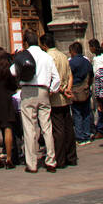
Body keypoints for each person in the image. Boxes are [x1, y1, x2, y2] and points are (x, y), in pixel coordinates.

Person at [12, 30, 59, 173]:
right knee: (47, 127)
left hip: (27, 92)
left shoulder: (23, 56)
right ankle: (51, 160)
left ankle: (31, 164)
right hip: (44, 92)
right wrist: (51, 90)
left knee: (29, 128)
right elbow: (56, 78)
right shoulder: (46, 56)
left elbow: (12, 72)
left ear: (25, 43)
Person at [42, 33, 76, 168]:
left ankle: (60, 159)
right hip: (66, 98)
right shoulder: (63, 55)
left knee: (58, 129)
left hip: (55, 98)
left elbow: (52, 78)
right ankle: (71, 157)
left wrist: (61, 90)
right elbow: (69, 75)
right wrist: (68, 89)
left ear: (44, 45)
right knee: (68, 127)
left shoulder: (48, 57)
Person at [68, 41, 94, 143]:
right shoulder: (87, 62)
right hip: (85, 90)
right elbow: (91, 75)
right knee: (86, 113)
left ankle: (80, 136)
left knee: (77, 114)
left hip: (75, 90)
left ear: (73, 52)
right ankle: (87, 134)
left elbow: (68, 77)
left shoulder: (71, 63)